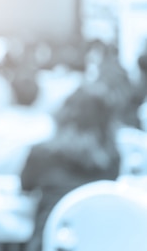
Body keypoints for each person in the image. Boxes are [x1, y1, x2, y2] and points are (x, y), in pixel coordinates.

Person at [20, 85, 120, 251]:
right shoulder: (112, 160)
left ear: (64, 114)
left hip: (50, 242)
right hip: (98, 244)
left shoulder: (42, 154)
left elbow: (25, 187)